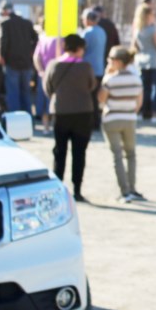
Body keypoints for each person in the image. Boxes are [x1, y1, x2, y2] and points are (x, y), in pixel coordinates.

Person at [44, 34, 97, 202]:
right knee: (79, 152)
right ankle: (77, 189)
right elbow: (92, 85)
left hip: (61, 112)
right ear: (79, 48)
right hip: (83, 112)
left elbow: (48, 87)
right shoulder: (86, 66)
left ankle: (58, 188)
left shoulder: (54, 65)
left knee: (60, 151)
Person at [99, 46, 144, 203]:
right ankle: (132, 188)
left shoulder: (110, 79)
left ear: (117, 62)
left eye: (110, 59)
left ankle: (124, 191)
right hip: (130, 118)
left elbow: (101, 100)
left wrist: (107, 74)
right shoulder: (136, 78)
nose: (108, 62)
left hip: (111, 119)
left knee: (117, 156)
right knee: (131, 154)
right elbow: (139, 102)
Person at [0, 0, 38, 115]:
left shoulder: (4, 24)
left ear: (5, 11)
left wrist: (1, 56)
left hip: (12, 62)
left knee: (13, 92)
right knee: (25, 92)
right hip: (26, 63)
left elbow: (2, 41)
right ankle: (28, 116)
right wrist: (31, 52)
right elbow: (36, 39)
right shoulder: (26, 23)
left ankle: (15, 118)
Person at [132, 2, 156, 123]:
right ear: (148, 15)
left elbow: (135, 46)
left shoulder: (137, 30)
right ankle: (154, 114)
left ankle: (142, 112)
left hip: (141, 61)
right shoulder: (152, 30)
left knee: (144, 88)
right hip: (154, 61)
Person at [33, 19, 63, 134]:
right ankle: (55, 126)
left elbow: (36, 57)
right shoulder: (60, 39)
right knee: (55, 101)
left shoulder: (43, 38)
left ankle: (45, 127)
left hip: (44, 75)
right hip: (57, 74)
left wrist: (41, 71)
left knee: (45, 101)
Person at [81, 7, 107, 128]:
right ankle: (96, 122)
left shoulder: (87, 32)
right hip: (99, 68)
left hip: (88, 68)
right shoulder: (102, 31)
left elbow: (81, 49)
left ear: (88, 19)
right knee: (95, 97)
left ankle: (90, 122)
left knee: (88, 98)